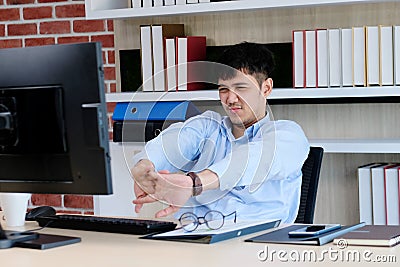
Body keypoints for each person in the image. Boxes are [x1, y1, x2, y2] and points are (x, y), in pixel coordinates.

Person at [130, 42, 309, 223]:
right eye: (223, 89)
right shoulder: (208, 126)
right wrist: (144, 168)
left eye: (241, 88)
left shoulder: (288, 136)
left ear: (266, 88)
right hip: (194, 237)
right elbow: (170, 144)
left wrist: (194, 183)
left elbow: (252, 160)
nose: (230, 98)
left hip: (259, 241)